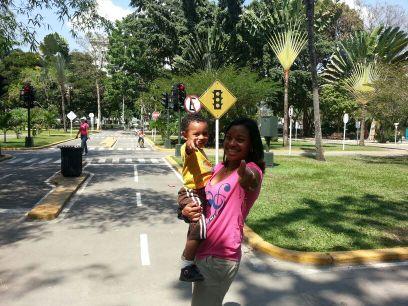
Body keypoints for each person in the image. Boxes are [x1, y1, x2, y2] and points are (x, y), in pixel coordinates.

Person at [181, 117, 265, 306]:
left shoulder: (252, 170)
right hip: (202, 251)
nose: (232, 143)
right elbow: (204, 201)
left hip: (220, 256)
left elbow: (252, 180)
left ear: (251, 144)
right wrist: (186, 211)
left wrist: (247, 178)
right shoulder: (219, 168)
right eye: (229, 137)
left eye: (240, 139)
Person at [178, 114, 212, 282]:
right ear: (185, 135)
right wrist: (190, 145)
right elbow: (188, 150)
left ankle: (192, 260)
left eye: (205, 133)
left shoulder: (202, 152)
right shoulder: (188, 148)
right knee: (199, 226)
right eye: (196, 134)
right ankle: (186, 267)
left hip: (199, 193)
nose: (201, 137)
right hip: (191, 192)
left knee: (196, 227)